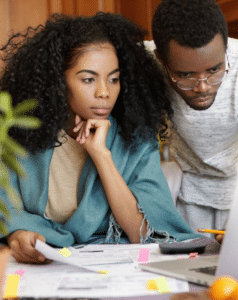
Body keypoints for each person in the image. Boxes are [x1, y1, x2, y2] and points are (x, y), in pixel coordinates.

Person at [0, 12, 201, 264]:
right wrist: (18, 233)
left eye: (114, 79)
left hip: (114, 269)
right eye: (88, 79)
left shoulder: (136, 138)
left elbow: (144, 234)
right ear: (58, 82)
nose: (104, 92)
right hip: (39, 269)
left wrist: (101, 156)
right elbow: (6, 209)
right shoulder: (19, 133)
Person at [145, 0, 238, 234]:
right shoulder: (144, 62)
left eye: (214, 70)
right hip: (185, 195)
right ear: (161, 59)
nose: (202, 87)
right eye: (185, 75)